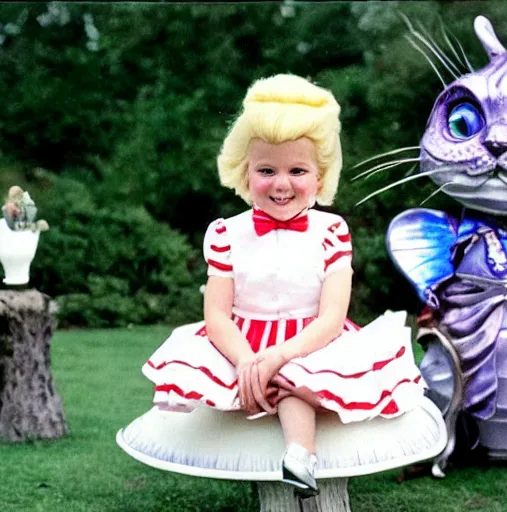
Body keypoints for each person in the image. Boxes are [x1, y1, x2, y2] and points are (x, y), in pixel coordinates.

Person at [142, 74, 425, 496]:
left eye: (297, 170)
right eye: (266, 170)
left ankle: (300, 456)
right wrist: (247, 362)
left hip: (312, 339)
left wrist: (279, 356)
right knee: (265, 377)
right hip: (240, 340)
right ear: (245, 171)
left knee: (294, 378)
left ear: (319, 175)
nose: (281, 183)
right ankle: (278, 465)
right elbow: (217, 314)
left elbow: (333, 315)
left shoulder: (332, 231)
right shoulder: (226, 233)